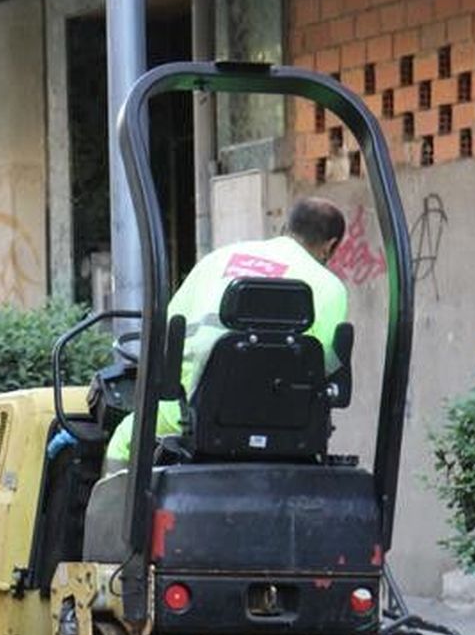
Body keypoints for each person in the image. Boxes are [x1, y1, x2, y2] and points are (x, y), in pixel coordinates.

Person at [104, 197, 351, 467]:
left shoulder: (219, 260)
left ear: (284, 228)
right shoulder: (330, 287)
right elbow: (324, 365)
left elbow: (167, 333)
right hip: (290, 427)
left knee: (123, 440)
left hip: (189, 417)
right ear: (330, 246)